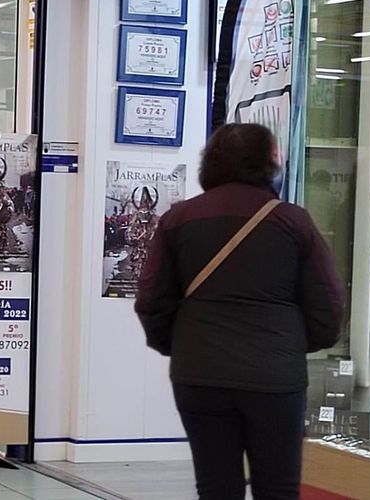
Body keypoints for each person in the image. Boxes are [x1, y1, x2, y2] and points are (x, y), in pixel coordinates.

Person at [134, 123, 345, 500]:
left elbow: (151, 300)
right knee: (278, 487)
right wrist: (294, 345)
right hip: (275, 377)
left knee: (216, 488)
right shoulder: (292, 221)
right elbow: (327, 303)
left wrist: (180, 345)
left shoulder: (179, 220)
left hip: (200, 373)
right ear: (269, 162)